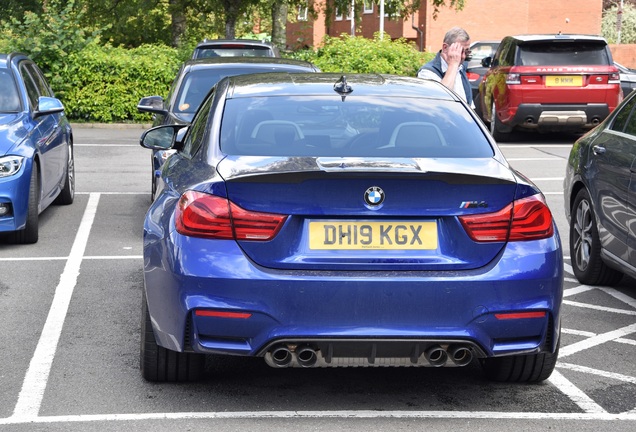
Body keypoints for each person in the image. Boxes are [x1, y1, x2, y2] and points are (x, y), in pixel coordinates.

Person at [417, 27, 473, 107]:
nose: (463, 56)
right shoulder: (427, 72)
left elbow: (469, 104)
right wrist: (453, 65)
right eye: (460, 51)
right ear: (445, 48)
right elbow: (442, 98)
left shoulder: (461, 67)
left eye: (467, 52)